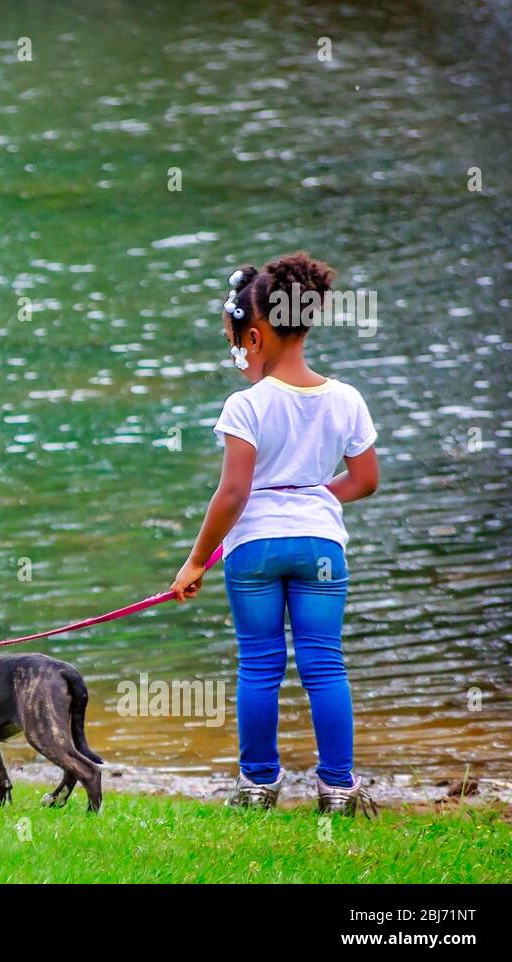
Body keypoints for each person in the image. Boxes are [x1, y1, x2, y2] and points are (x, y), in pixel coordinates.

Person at [169, 252, 380, 816]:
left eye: (238, 340)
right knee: (324, 664)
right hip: (321, 550)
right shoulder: (346, 399)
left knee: (259, 664)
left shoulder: (247, 405)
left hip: (255, 551)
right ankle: (338, 788)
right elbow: (365, 480)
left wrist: (194, 561)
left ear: (256, 336)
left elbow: (233, 495)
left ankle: (258, 785)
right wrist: (311, 499)